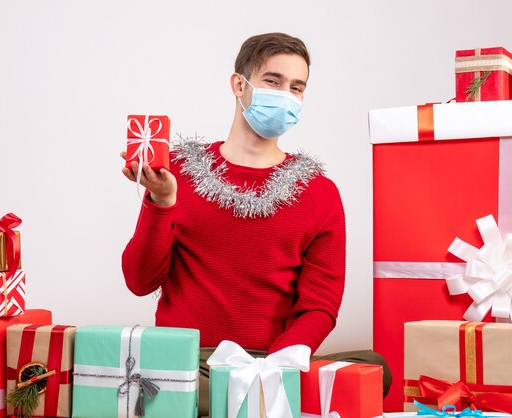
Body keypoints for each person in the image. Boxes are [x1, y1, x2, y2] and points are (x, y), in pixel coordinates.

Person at [121, 32, 390, 417]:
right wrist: (161, 203)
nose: (286, 95)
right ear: (239, 84)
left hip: (273, 360)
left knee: (375, 367)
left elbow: (320, 305)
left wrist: (272, 369)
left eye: (297, 87)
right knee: (168, 383)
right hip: (190, 362)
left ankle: (240, 401)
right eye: (273, 81)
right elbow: (139, 281)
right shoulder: (178, 172)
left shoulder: (320, 193)